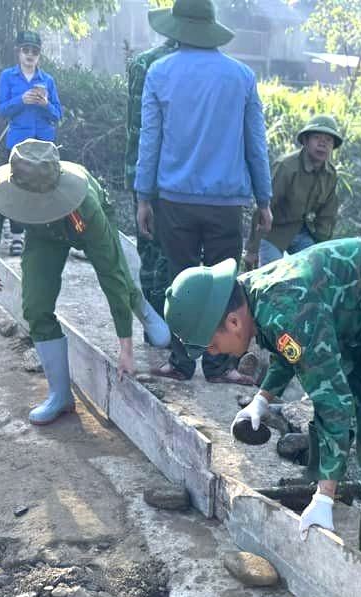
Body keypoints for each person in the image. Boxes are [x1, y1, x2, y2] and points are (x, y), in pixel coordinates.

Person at [163, 238, 361, 572]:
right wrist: (263, 399)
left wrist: (324, 497)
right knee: (341, 381)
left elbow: (333, 401)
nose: (215, 355)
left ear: (232, 322)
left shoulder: (286, 306)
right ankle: (329, 486)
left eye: (213, 346)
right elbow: (292, 348)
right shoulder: (249, 294)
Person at [0, 140, 170, 425]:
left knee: (119, 279)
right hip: (42, 235)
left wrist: (126, 349)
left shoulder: (86, 205)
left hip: (80, 223)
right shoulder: (1, 192)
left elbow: (111, 274)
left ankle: (140, 306)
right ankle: (60, 395)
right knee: (35, 306)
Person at [134, 0, 271, 386]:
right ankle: (220, 365)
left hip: (174, 200)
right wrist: (264, 199)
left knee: (181, 284)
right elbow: (255, 144)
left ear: (176, 28)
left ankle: (181, 362)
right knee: (223, 287)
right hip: (226, 203)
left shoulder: (159, 73)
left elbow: (151, 141)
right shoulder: (241, 76)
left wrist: (144, 195)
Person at [124, 35, 175, 338]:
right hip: (177, 176)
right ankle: (172, 328)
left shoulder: (142, 62)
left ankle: (156, 330)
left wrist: (137, 178)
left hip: (143, 169)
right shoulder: (187, 65)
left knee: (149, 247)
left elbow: (135, 127)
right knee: (176, 251)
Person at [0, 30, 61, 257]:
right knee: (18, 190)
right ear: (18, 52)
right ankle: (16, 237)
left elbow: (57, 114)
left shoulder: (48, 80)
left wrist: (45, 105)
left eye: (34, 51)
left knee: (45, 189)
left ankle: (41, 236)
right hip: (18, 142)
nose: (30, 55)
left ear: (39, 55)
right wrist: (21, 100)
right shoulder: (8, 77)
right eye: (26, 50)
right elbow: (2, 110)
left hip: (44, 143)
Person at [246, 115, 342, 269]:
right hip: (273, 233)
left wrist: (321, 251)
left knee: (316, 272)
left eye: (328, 140)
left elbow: (327, 217)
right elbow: (263, 207)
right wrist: (252, 249)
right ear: (305, 141)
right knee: (271, 278)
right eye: (317, 138)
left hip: (300, 231)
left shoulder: (330, 175)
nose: (323, 144)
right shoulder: (287, 167)